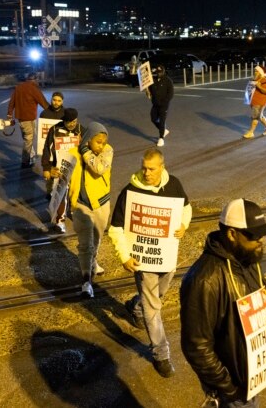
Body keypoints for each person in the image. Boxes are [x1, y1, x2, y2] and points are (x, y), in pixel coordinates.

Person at [180, 199, 266, 408]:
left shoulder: (246, 259)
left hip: (249, 381)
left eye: (262, 234)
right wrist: (229, 389)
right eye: (254, 236)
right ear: (232, 234)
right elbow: (196, 346)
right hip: (233, 391)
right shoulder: (204, 280)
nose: (261, 241)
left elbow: (264, 289)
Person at [107, 149, 192, 378]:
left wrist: (184, 224)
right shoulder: (131, 191)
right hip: (143, 261)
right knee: (154, 307)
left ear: (162, 167)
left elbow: (186, 208)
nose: (146, 173)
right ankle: (161, 353)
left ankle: (135, 306)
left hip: (166, 258)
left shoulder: (173, 184)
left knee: (155, 296)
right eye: (144, 167)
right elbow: (115, 228)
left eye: (151, 169)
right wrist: (124, 256)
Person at [68, 122, 113, 298]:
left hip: (101, 203)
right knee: (85, 244)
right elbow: (64, 177)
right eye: (98, 142)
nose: (101, 146)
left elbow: (99, 169)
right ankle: (86, 280)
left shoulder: (108, 151)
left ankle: (93, 262)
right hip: (80, 205)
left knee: (97, 238)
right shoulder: (72, 154)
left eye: (103, 142)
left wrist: (86, 152)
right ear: (88, 139)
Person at [42, 108, 84, 233]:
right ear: (64, 121)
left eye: (74, 121)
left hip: (77, 169)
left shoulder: (82, 130)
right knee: (61, 195)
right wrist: (47, 168)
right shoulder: (54, 130)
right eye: (69, 122)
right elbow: (47, 150)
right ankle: (60, 221)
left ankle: (75, 213)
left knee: (78, 194)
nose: (72, 124)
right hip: (60, 169)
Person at [7, 72, 50, 168]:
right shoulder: (34, 88)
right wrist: (54, 112)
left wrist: (9, 115)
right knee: (29, 139)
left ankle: (31, 154)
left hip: (21, 120)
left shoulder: (18, 88)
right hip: (29, 119)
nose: (38, 82)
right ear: (34, 79)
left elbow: (11, 102)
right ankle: (25, 161)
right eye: (37, 80)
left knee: (28, 138)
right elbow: (44, 103)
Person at [242, 65, 266, 138]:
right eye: (254, 71)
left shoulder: (264, 80)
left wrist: (259, 86)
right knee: (260, 116)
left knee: (255, 117)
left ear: (260, 72)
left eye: (257, 71)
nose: (255, 72)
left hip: (259, 102)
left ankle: (251, 132)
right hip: (254, 102)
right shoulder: (255, 79)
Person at [147, 65, 174, 147]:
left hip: (164, 105)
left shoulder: (168, 81)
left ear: (163, 72)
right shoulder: (153, 80)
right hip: (155, 103)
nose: (159, 74)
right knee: (153, 118)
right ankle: (163, 130)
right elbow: (150, 90)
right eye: (157, 72)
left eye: (160, 72)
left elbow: (171, 94)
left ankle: (161, 138)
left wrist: (165, 102)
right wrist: (148, 92)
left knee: (162, 121)